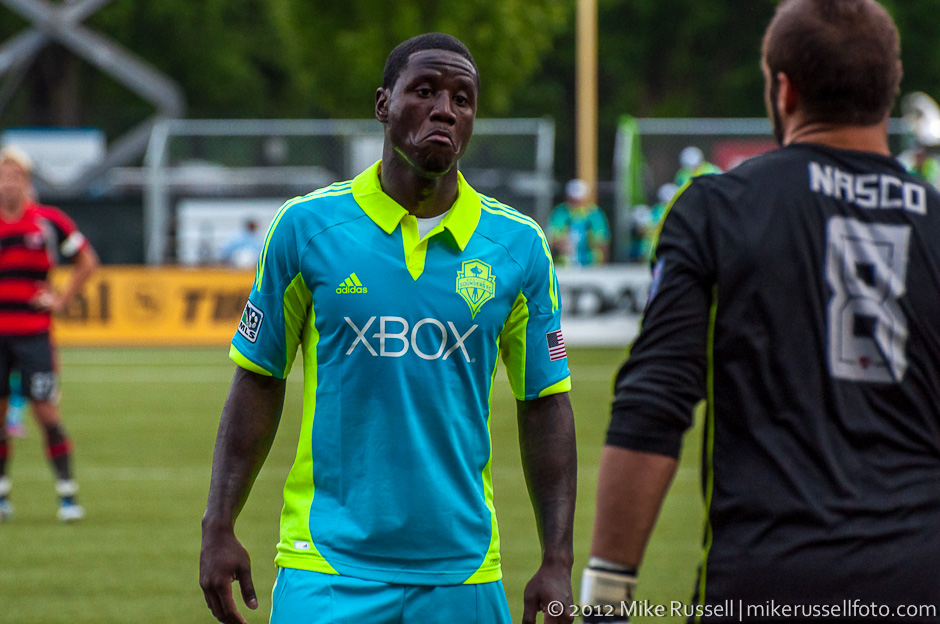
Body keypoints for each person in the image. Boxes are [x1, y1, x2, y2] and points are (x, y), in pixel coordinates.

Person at [200, 33, 577, 624]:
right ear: (383, 104)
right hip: (326, 568)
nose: (445, 109)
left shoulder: (519, 245)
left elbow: (545, 402)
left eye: (462, 98)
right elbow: (259, 378)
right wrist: (218, 523)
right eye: (424, 91)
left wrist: (557, 558)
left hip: (464, 573)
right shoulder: (306, 227)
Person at [582, 1, 940, 622]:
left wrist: (605, 599)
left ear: (784, 89)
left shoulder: (718, 207)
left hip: (767, 582)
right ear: (889, 90)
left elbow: (653, 401)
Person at [0, 146, 99, 522]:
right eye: (3, 176)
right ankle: (2, 495)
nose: (8, 183)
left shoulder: (48, 221)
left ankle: (67, 495)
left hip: (33, 335)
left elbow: (87, 261)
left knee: (46, 414)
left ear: (26, 181)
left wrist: (60, 300)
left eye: (15, 176)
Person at [547, 179, 611, 267]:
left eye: (579, 199)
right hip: (565, 266)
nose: (576, 203)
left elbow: (602, 243)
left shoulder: (595, 214)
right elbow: (551, 239)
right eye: (573, 199)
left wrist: (603, 267)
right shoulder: (560, 212)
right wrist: (560, 243)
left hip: (592, 266)